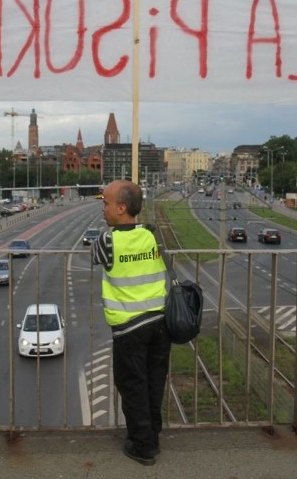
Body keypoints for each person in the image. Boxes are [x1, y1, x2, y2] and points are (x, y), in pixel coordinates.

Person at [91, 180, 171, 466]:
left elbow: (95, 257)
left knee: (133, 386)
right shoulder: (151, 235)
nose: (103, 208)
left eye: (106, 203)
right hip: (160, 323)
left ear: (121, 208)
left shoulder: (108, 241)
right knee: (153, 383)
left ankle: (142, 446)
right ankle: (153, 435)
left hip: (130, 328)